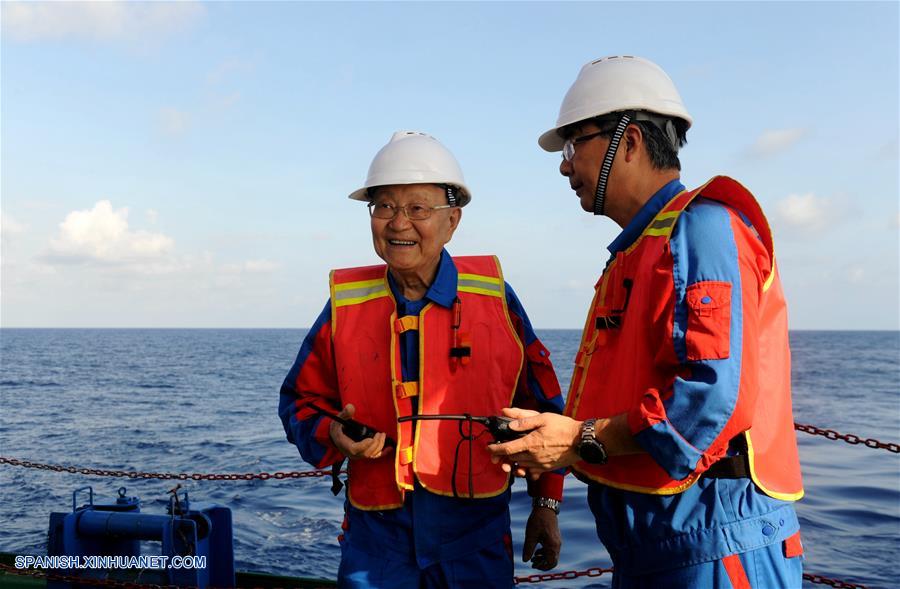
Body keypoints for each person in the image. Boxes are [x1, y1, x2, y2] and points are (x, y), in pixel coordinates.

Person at [489, 56, 805, 588]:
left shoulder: (703, 230)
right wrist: (555, 467)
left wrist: (579, 438)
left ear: (628, 142)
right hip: (652, 547)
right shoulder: (639, 249)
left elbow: (712, 402)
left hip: (714, 546)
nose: (565, 167)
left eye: (573, 147)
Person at [279, 130, 565, 589]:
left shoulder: (496, 302)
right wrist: (331, 432)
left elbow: (546, 410)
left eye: (417, 209)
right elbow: (298, 402)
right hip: (376, 549)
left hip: (476, 543)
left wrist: (547, 506)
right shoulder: (344, 307)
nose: (398, 224)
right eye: (384, 207)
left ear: (453, 220)